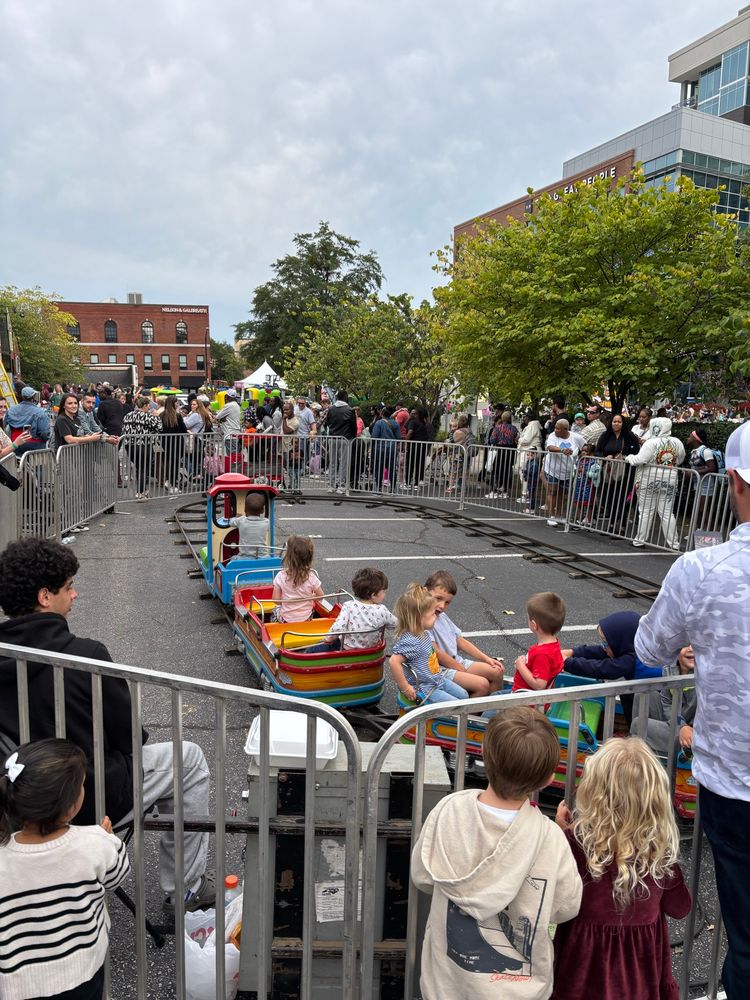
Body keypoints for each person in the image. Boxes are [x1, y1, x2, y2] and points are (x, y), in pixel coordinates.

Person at [0, 538, 214, 912]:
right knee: (190, 760)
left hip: (17, 805)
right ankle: (186, 889)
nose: (75, 594)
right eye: (69, 587)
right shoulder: (87, 657)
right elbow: (131, 738)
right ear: (45, 597)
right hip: (87, 797)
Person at [633, 420, 750, 996]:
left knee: (746, 934)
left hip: (734, 782)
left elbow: (649, 647)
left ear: (735, 481)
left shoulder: (701, 570)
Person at [411, 706, 582, 1000]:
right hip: (519, 992)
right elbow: (566, 907)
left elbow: (423, 877)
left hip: (447, 986)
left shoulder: (449, 810)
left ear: (484, 757)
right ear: (547, 779)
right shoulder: (550, 838)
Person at [552, 739, 691, 1000]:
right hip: (639, 980)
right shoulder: (659, 855)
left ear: (594, 791)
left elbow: (556, 901)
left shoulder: (576, 843)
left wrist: (559, 834)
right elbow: (680, 908)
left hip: (580, 976)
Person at [0, 738, 131, 1000]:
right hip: (83, 973)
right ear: (71, 805)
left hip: (18, 984)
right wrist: (109, 840)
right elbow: (117, 876)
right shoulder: (94, 843)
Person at [425, 570, 504, 693]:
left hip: (457, 663)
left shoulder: (442, 617)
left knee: (497, 671)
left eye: (447, 602)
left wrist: (486, 659)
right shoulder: (424, 621)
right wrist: (461, 669)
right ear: (425, 592)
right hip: (440, 669)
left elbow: (460, 640)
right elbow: (437, 653)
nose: (442, 606)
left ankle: (492, 704)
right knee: (482, 685)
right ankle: (473, 705)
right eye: (438, 598)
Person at [389, 585, 468, 704]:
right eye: (432, 614)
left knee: (464, 696)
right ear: (419, 618)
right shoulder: (411, 641)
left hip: (437, 679)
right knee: (458, 706)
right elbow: (393, 661)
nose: (436, 616)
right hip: (426, 688)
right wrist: (405, 687)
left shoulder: (424, 633)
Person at [624, 417, 685, 549]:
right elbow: (680, 459)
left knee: (646, 511)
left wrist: (628, 457)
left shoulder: (651, 442)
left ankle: (640, 541)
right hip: (670, 479)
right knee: (667, 513)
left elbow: (639, 460)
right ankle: (674, 544)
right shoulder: (677, 442)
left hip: (648, 479)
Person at [307, 567, 397, 653]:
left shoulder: (349, 606)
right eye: (384, 591)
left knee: (312, 649)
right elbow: (396, 624)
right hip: (370, 651)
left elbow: (338, 627)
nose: (385, 594)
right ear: (373, 595)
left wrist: (328, 639)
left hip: (346, 649)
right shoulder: (382, 611)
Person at [632, 645, 696, 757]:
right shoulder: (670, 669)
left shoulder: (706, 676)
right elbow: (666, 702)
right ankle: (643, 751)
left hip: (692, 735)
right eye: (684, 645)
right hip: (678, 723)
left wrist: (684, 727)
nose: (690, 649)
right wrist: (680, 725)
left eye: (694, 644)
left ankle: (639, 755)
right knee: (643, 696)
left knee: (638, 724)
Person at [511, 591, 566, 695]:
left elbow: (539, 685)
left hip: (524, 699)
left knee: (493, 698)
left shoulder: (542, 653)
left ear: (534, 625)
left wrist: (520, 665)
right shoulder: (554, 645)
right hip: (528, 697)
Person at [594, 414, 640, 532]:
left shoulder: (629, 436)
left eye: (619, 422)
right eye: (614, 421)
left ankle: (621, 525)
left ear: (623, 423)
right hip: (609, 471)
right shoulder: (605, 435)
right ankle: (611, 524)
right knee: (610, 498)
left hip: (626, 472)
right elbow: (597, 451)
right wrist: (605, 457)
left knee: (622, 498)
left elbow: (636, 451)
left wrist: (626, 457)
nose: (616, 424)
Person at [271, 535, 324, 622]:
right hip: (306, 618)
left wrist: (286, 600)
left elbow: (275, 600)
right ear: (309, 558)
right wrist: (310, 597)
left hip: (286, 619)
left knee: (275, 610)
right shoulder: (311, 577)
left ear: (288, 556)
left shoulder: (280, 576)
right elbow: (320, 596)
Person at [122, 395, 162, 500]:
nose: (150, 407)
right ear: (144, 405)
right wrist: (157, 416)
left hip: (130, 446)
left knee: (139, 468)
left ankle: (143, 490)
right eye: (148, 405)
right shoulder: (147, 416)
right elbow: (159, 427)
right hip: (144, 445)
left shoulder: (127, 415)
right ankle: (140, 493)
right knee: (144, 469)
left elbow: (124, 429)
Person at [543, 418, 579, 526]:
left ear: (566, 429)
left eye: (558, 428)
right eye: (555, 428)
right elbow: (550, 447)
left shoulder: (575, 437)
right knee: (552, 491)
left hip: (566, 471)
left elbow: (586, 446)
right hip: (552, 469)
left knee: (561, 494)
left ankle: (558, 516)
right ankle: (551, 516)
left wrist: (585, 452)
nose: (555, 430)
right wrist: (562, 450)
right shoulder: (552, 435)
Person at [323, 389, 357, 493]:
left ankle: (331, 485)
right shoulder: (349, 410)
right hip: (345, 438)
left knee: (332, 462)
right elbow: (353, 427)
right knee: (343, 463)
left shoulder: (331, 409)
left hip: (332, 438)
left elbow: (327, 423)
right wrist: (352, 437)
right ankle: (341, 485)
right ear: (346, 397)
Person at [3, 386, 51, 456]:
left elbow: (5, 426)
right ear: (33, 397)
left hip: (14, 444)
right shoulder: (40, 412)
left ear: (22, 396)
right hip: (34, 445)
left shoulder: (11, 410)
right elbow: (44, 433)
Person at [484, 411, 518, 499]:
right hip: (510, 451)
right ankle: (504, 491)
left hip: (500, 451)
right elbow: (517, 440)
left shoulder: (498, 428)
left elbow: (492, 440)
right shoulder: (514, 429)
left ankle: (494, 491)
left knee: (496, 470)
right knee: (506, 471)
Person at [515, 409, 544, 510]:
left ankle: (526, 494)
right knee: (527, 473)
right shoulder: (534, 425)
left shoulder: (532, 426)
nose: (524, 419)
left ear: (528, 418)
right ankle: (526, 494)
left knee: (526, 473)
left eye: (525, 417)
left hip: (529, 451)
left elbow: (526, 440)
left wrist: (519, 439)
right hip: (530, 450)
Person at [402, 407, 435, 490]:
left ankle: (407, 483)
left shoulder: (413, 422)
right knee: (418, 465)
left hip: (413, 446)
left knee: (410, 464)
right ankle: (416, 484)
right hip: (421, 447)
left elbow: (410, 432)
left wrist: (406, 441)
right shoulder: (425, 424)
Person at [228, 492, 269, 558]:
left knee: (232, 558)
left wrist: (236, 517)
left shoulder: (241, 520)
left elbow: (231, 522)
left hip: (244, 557)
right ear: (263, 510)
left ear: (245, 509)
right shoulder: (266, 522)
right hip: (262, 557)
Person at [160, 396, 187, 494]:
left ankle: (169, 482)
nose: (178, 404)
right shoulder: (177, 416)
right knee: (175, 464)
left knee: (170, 463)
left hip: (166, 442)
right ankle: (172, 485)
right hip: (177, 442)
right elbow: (183, 430)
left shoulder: (162, 415)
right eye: (176, 403)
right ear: (172, 403)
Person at [281, 401, 302, 494]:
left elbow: (286, 431)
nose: (285, 411)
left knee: (293, 469)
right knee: (288, 469)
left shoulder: (295, 421)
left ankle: (295, 488)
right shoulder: (285, 419)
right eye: (284, 409)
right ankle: (291, 486)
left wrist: (283, 420)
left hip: (292, 449)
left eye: (287, 409)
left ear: (292, 410)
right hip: (284, 448)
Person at [216, 388, 242, 454]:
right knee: (235, 455)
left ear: (227, 396)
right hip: (235, 433)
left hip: (229, 434)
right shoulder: (236, 405)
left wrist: (221, 419)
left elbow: (217, 417)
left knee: (231, 456)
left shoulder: (229, 405)